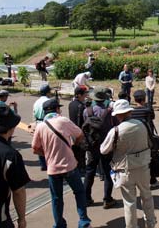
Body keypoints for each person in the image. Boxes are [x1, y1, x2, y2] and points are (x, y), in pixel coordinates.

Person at [32, 99, 92, 228]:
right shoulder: (63, 120)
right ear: (56, 109)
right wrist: (74, 144)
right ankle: (83, 221)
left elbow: (35, 149)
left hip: (53, 169)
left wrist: (47, 154)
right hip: (69, 165)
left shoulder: (41, 126)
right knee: (79, 192)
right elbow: (80, 134)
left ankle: (59, 224)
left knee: (56, 198)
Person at [100, 99, 156, 228]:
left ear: (118, 115)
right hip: (143, 166)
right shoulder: (142, 124)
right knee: (147, 196)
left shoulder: (116, 131)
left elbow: (103, 150)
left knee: (129, 202)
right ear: (130, 111)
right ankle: (151, 223)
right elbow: (150, 142)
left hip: (125, 169)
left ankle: (132, 226)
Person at [83, 89, 116, 209]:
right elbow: (114, 126)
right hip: (106, 145)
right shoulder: (109, 112)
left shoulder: (87, 111)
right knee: (108, 172)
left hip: (92, 146)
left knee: (90, 171)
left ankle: (86, 198)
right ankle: (107, 199)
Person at [131, 89, 159, 189]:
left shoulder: (131, 111)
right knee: (149, 159)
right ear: (144, 99)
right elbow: (152, 118)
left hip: (135, 137)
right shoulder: (147, 110)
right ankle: (152, 181)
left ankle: (137, 181)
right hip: (147, 137)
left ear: (135, 99)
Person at [32, 84, 53, 171]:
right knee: (48, 145)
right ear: (47, 92)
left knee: (39, 144)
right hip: (46, 124)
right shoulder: (49, 101)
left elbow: (34, 114)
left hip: (37, 123)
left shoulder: (36, 101)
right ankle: (49, 163)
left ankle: (43, 164)